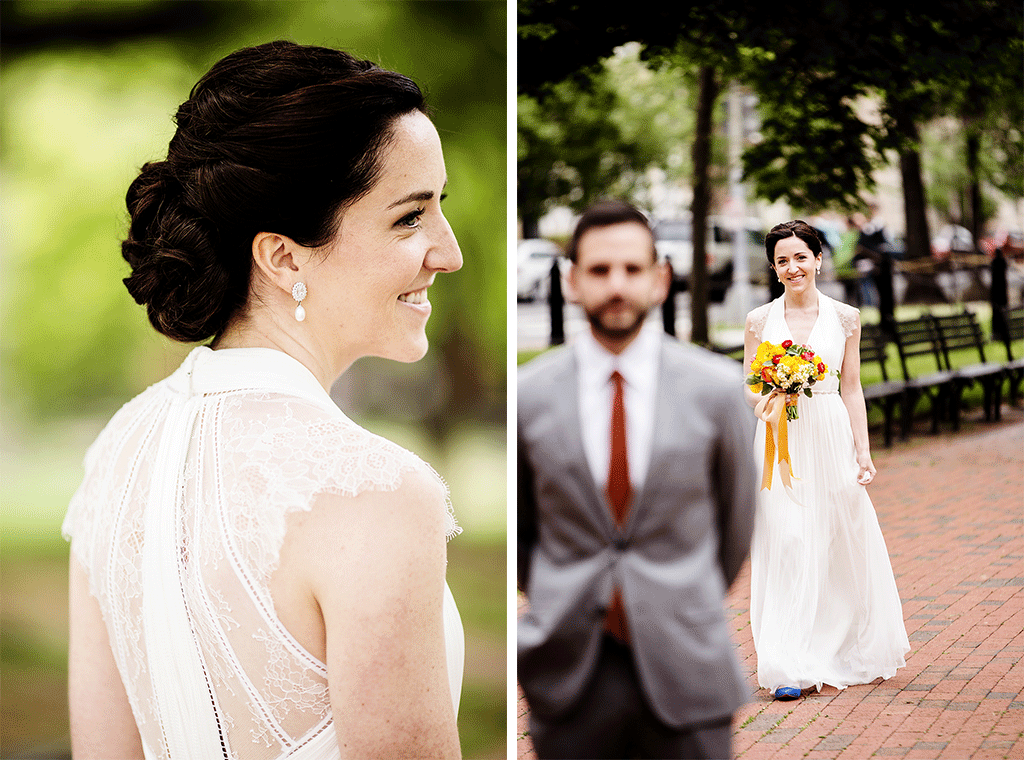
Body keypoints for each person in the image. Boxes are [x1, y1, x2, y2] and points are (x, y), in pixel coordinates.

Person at [63, 41, 465, 759]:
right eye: (410, 217)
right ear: (283, 256)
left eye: (440, 209)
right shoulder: (375, 491)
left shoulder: (115, 455)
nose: (449, 250)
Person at [518, 199, 757, 759]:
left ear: (659, 278)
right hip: (571, 671)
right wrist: (565, 592)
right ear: (573, 281)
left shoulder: (717, 390)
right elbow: (529, 531)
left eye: (631, 269)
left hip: (687, 666)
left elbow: (736, 522)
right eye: (599, 271)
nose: (616, 285)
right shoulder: (530, 396)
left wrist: (677, 592)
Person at [743, 220, 909, 701]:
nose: (792, 267)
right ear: (773, 269)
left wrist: (863, 448)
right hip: (780, 440)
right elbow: (750, 384)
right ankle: (787, 662)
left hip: (831, 432)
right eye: (782, 260)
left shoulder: (846, 318)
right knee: (787, 540)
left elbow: (852, 387)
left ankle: (838, 647)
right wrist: (771, 393)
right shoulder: (759, 320)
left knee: (837, 537)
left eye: (800, 257)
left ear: (818, 259)